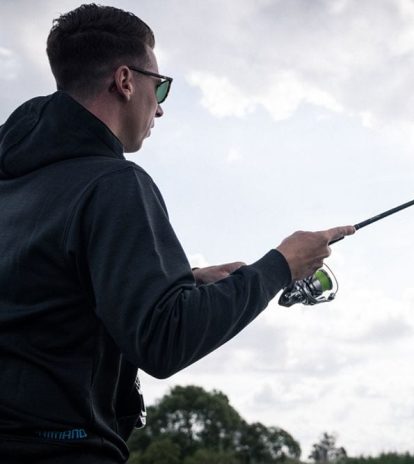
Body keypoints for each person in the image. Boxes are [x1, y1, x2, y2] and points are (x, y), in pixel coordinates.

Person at [0, 4, 354, 463]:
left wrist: (179, 280)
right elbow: (164, 341)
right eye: (159, 85)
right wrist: (280, 267)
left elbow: (41, 291)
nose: (161, 106)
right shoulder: (113, 184)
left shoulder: (13, 182)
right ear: (126, 81)